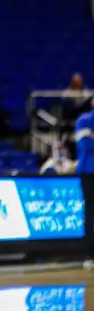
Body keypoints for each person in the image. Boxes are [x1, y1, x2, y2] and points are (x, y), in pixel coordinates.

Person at [75, 96, 94, 268]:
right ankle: (91, 254)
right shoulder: (84, 120)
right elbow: (86, 145)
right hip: (89, 172)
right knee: (90, 213)